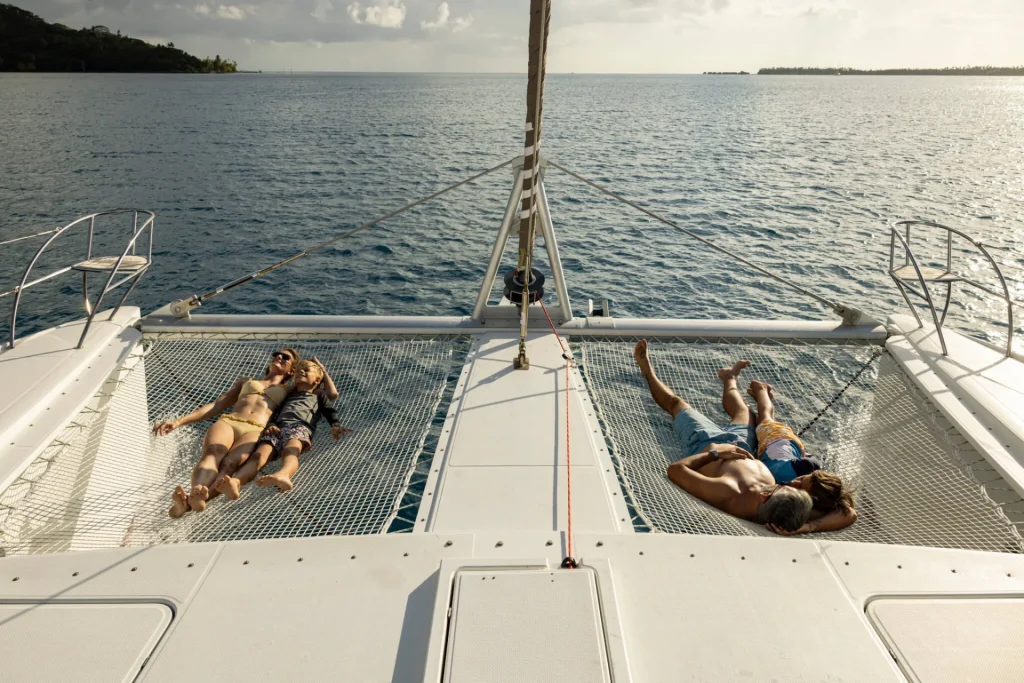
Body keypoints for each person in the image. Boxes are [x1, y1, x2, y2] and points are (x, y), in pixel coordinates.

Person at [633, 339, 813, 532]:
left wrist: (717, 455)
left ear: (765, 497)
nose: (788, 484)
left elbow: (675, 470)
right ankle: (729, 378)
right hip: (741, 444)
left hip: (705, 441)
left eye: (783, 487)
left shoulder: (729, 491)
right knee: (744, 412)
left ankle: (646, 370)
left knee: (676, 404)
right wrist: (808, 527)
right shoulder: (785, 505)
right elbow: (847, 515)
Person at [155, 348, 300, 517]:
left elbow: (317, 390)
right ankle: (196, 492)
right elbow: (217, 405)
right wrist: (179, 421)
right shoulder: (246, 381)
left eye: (285, 357)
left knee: (229, 465)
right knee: (212, 453)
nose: (279, 357)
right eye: (276, 354)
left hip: (255, 430)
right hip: (230, 422)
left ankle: (188, 504)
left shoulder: (289, 390)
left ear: (291, 370)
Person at [213, 359, 350, 498]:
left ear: (317, 380)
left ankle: (284, 474)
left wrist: (335, 424)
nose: (300, 372)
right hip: (277, 427)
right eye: (297, 371)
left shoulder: (318, 393)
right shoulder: (288, 394)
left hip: (299, 426)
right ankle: (236, 482)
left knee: (290, 451)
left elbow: (329, 408)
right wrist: (271, 425)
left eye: (306, 371)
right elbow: (274, 413)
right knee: (258, 456)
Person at [747, 379, 857, 535]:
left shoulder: (819, 502)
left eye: (800, 485)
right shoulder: (780, 477)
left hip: (794, 453)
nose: (794, 482)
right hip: (777, 441)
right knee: (764, 418)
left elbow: (850, 514)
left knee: (765, 420)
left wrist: (808, 527)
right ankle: (762, 390)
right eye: (801, 479)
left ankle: (767, 397)